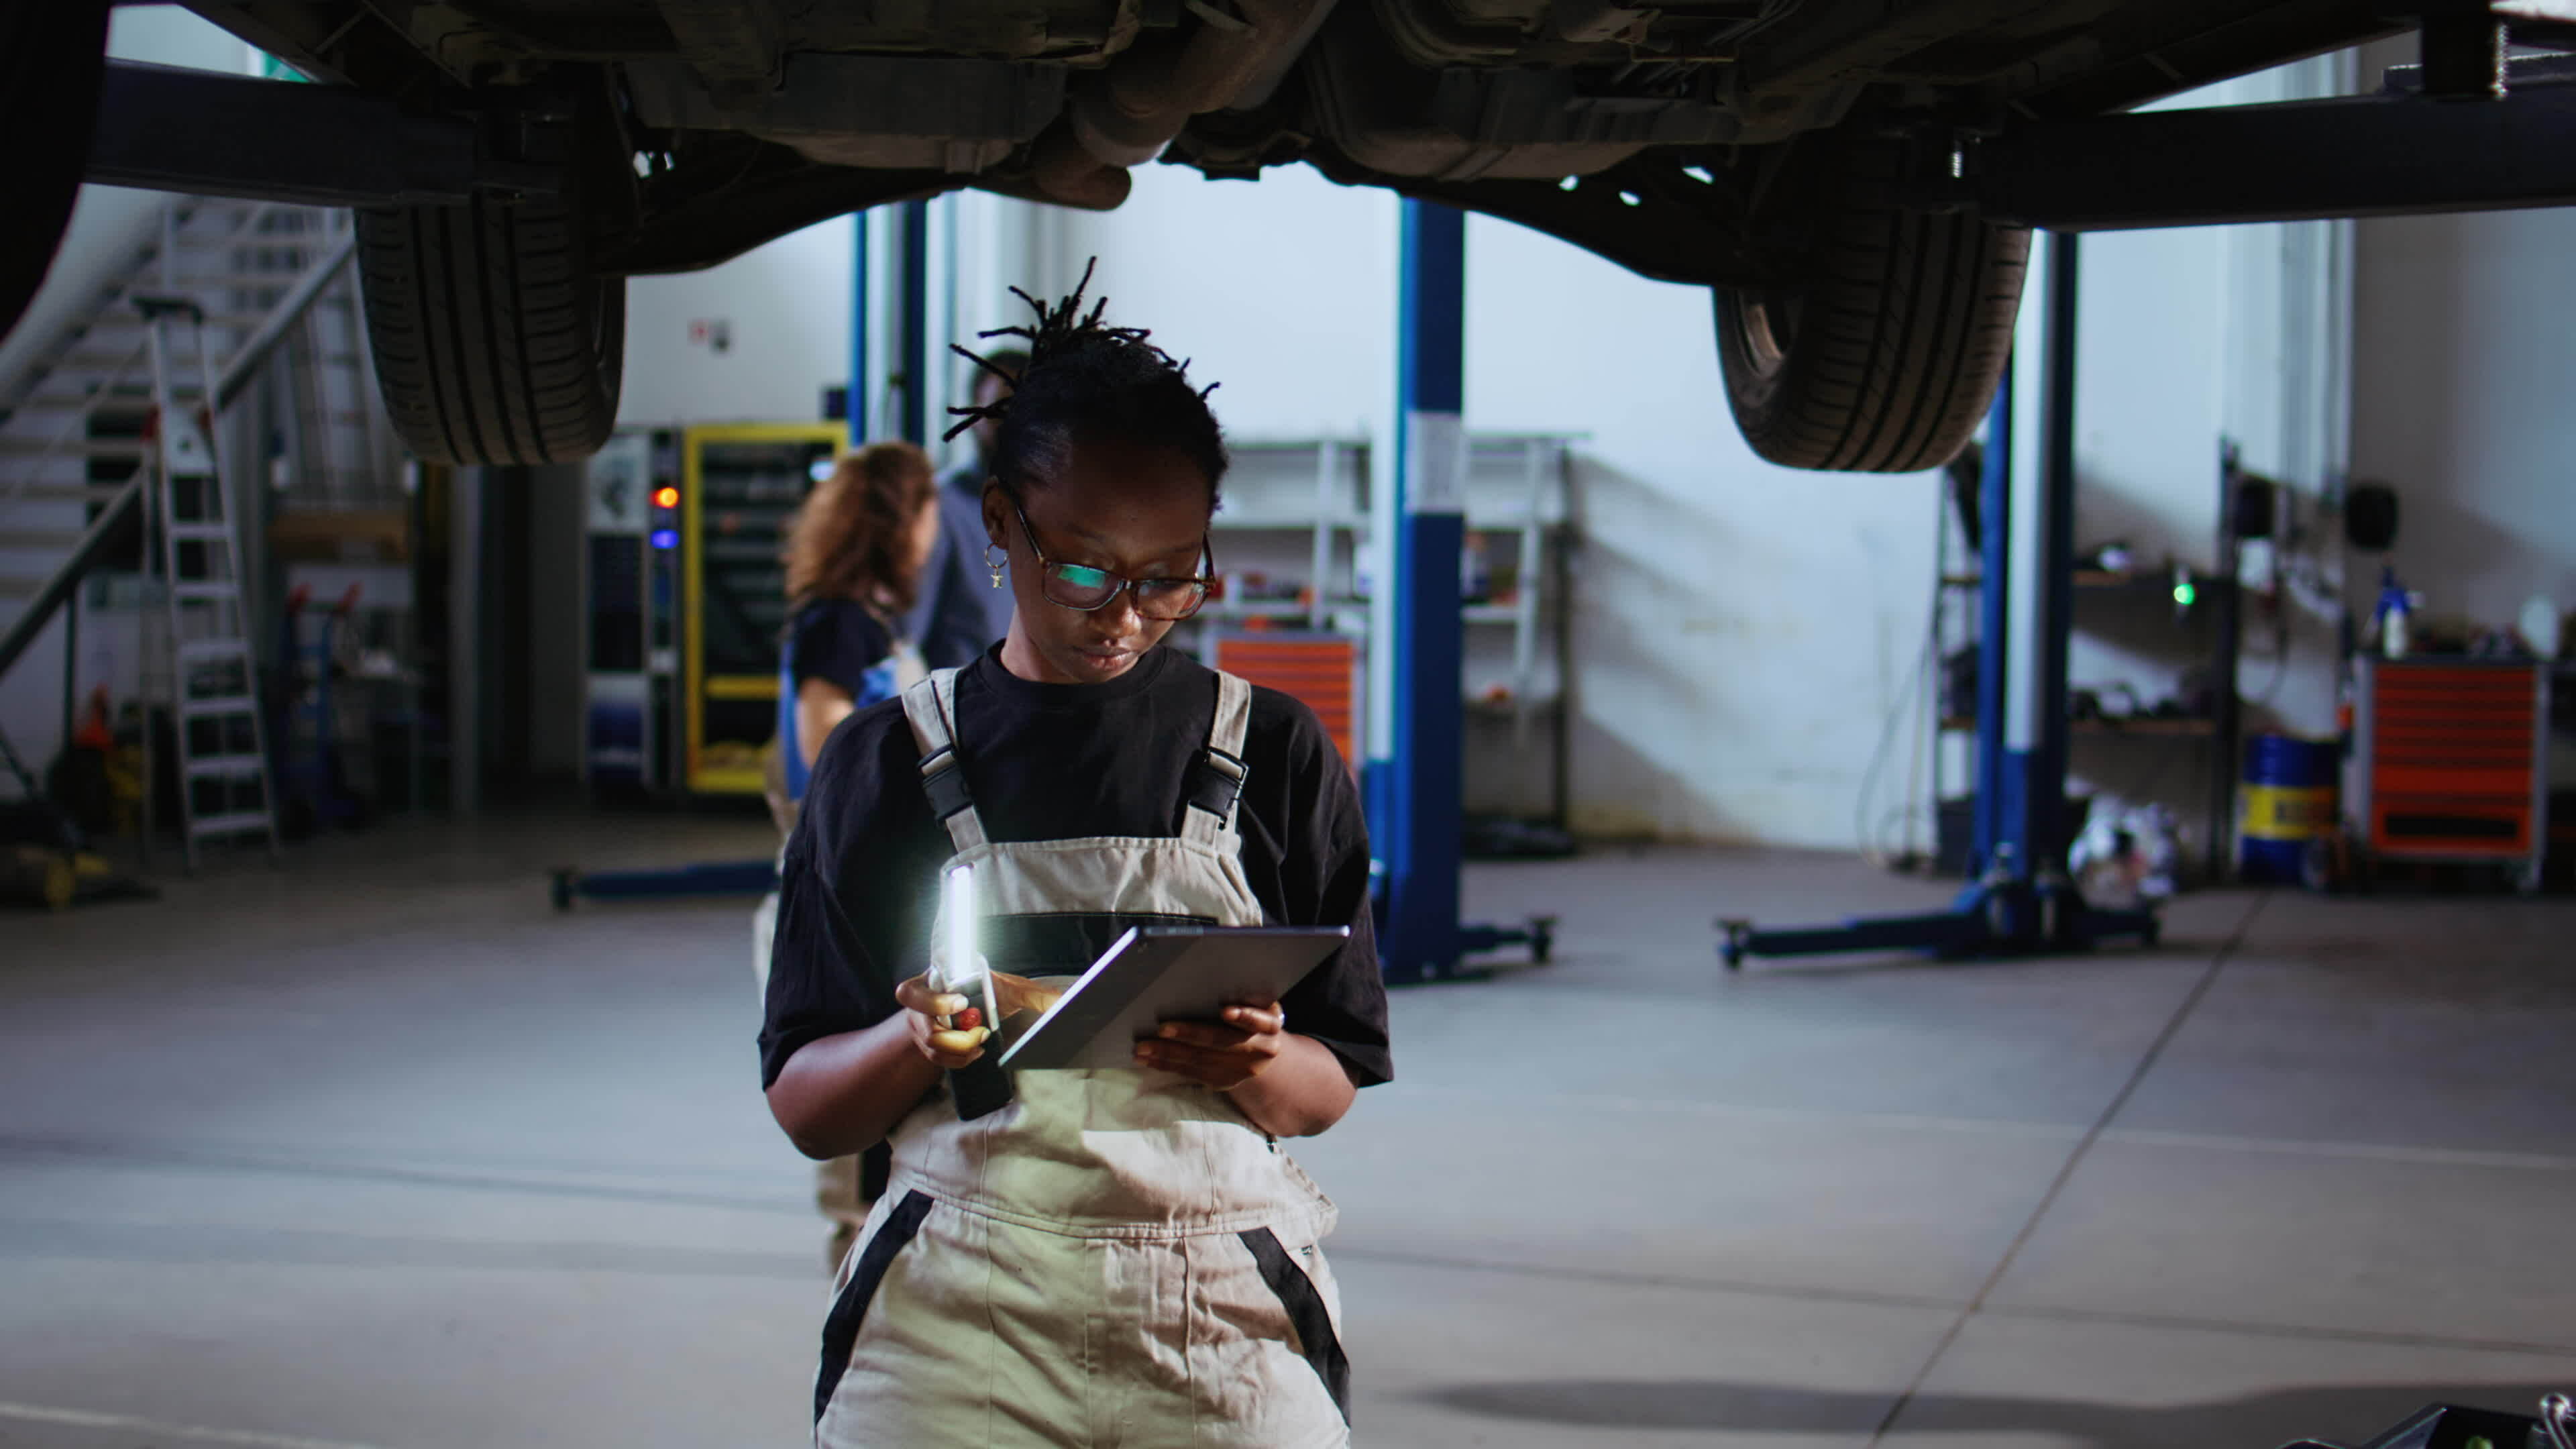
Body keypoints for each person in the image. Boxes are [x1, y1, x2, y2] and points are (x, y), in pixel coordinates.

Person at [761, 266, 1388, 1447]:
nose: (1127, 614)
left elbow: (1329, 1085)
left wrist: (1253, 1060)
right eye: (1087, 568)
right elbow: (807, 1109)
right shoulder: (886, 762)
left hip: (1218, 1306)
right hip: (956, 1310)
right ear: (1001, 524)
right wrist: (915, 1040)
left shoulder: (1276, 752)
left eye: (1173, 577)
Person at [756, 439, 943, 1269]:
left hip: (873, 892)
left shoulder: (865, 618)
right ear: (901, 521)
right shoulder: (840, 621)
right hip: (836, 894)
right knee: (858, 1149)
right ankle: (860, 1302)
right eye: (932, 513)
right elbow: (823, 739)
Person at [901, 349, 1026, 671]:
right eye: (1000, 409)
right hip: (965, 710)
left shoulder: (1061, 513)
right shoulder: (940, 509)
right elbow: (905, 640)